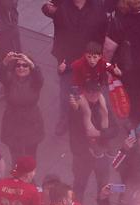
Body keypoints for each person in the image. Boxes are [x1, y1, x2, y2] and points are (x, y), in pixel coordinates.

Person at [45, 0, 112, 135]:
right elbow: (47, 11)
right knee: (66, 92)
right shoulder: (63, 6)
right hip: (68, 59)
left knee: (92, 91)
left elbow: (102, 35)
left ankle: (92, 118)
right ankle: (64, 119)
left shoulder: (98, 8)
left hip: (90, 60)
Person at [105, 0, 140, 124]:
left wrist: (105, 65)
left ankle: (137, 121)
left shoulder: (120, 22)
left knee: (134, 95)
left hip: (131, 66)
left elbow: (109, 48)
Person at [69, 81, 113, 204]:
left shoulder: (104, 106)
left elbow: (115, 129)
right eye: (90, 92)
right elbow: (74, 134)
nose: (93, 94)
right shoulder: (77, 107)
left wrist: (100, 134)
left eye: (96, 91)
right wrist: (84, 152)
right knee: (79, 185)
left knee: (103, 185)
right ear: (84, 92)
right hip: (84, 156)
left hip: (102, 154)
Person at [0, 51, 45, 162]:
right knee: (15, 155)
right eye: (18, 65)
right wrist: (5, 62)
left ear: (30, 67)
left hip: (31, 122)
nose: (21, 68)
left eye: (25, 65)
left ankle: (30, 172)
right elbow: (1, 75)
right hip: (12, 122)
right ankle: (17, 171)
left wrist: (31, 63)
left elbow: (39, 77)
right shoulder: (9, 80)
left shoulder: (35, 82)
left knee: (30, 154)